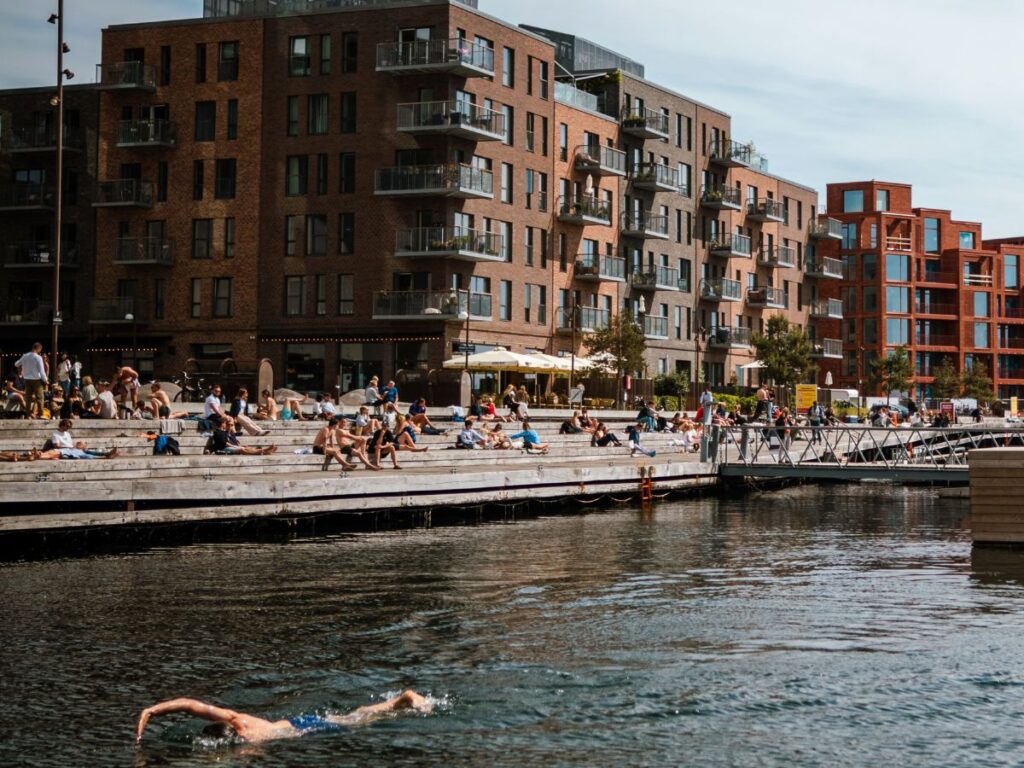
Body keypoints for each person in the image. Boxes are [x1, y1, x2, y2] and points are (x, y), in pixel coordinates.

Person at [135, 690, 432, 744]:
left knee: (361, 721)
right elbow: (190, 704)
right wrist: (152, 710)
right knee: (355, 716)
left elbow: (189, 704)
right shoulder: (240, 721)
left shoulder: (245, 736)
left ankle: (405, 698)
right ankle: (401, 699)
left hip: (309, 729)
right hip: (297, 723)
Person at [39, 419, 120, 460]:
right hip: (66, 450)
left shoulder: (67, 433)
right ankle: (106, 455)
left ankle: (107, 453)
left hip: (71, 449)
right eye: (67, 426)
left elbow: (70, 444)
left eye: (69, 427)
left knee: (86, 450)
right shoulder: (55, 434)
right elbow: (56, 446)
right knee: (86, 455)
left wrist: (76, 446)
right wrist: (71, 448)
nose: (68, 428)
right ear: (62, 425)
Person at [209, 417, 276, 456]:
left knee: (245, 447)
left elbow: (228, 441)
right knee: (241, 449)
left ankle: (265, 451)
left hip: (228, 447)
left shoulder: (223, 432)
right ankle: (263, 451)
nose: (226, 425)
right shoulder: (217, 433)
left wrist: (238, 445)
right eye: (225, 423)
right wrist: (237, 446)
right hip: (223, 449)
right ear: (222, 424)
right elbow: (224, 443)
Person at [15, 342, 47, 419]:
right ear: (38, 348)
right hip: (36, 380)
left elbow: (16, 364)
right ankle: (41, 414)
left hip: (27, 380)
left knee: (28, 398)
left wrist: (23, 364)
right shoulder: (38, 357)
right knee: (40, 397)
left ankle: (28, 415)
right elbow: (42, 371)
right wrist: (45, 380)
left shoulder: (25, 356)